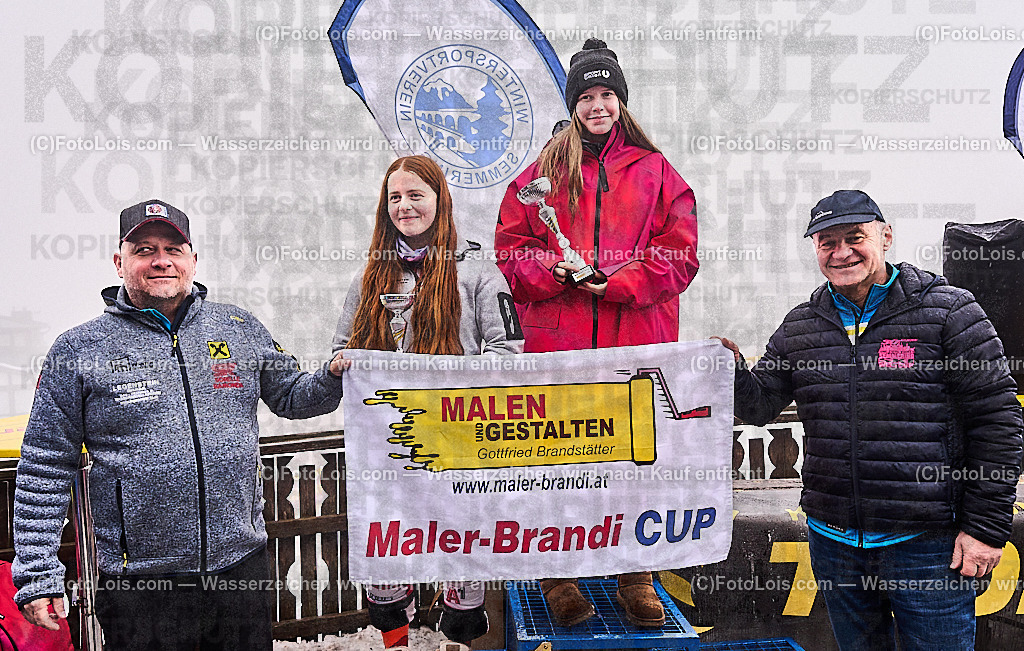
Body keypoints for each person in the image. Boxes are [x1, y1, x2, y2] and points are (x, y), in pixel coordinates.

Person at [13, 200, 347, 650]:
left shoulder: (238, 327)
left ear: (193, 259)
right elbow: (44, 466)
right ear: (119, 263)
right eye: (144, 250)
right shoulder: (78, 349)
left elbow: (293, 396)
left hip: (239, 570)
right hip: (141, 585)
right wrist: (38, 572)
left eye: (174, 248)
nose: (161, 261)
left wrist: (334, 374)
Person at [715, 190, 1023, 650]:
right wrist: (732, 367)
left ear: (885, 237)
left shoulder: (949, 311)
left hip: (927, 545)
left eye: (854, 237)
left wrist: (985, 528)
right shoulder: (802, 326)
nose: (841, 253)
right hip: (834, 543)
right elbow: (759, 406)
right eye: (827, 242)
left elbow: (998, 420)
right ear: (815, 249)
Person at [494, 38, 699, 628]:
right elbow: (511, 249)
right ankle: (558, 575)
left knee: (633, 463)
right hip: (560, 348)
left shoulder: (657, 171)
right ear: (573, 104)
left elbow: (680, 255)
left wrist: (615, 282)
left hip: (635, 343)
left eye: (607, 94)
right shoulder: (542, 174)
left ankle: (636, 575)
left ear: (621, 101)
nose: (598, 105)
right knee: (558, 462)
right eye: (586, 96)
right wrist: (552, 269)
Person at [333, 155, 523, 651]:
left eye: (416, 195)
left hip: (460, 443)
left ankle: (459, 638)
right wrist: (343, 364)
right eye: (394, 197)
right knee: (388, 566)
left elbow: (508, 351)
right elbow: (340, 348)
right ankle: (396, 641)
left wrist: (451, 382)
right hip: (388, 444)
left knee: (462, 567)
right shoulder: (371, 276)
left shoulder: (478, 273)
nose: (404, 206)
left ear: (441, 201)